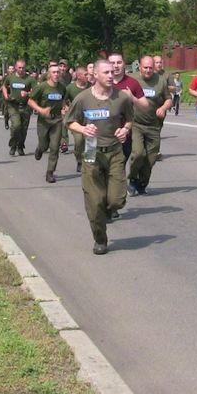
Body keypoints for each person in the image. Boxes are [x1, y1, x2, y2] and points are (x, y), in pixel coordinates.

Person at [65, 60, 134, 255]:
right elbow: (69, 122)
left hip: (114, 151)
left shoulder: (122, 98)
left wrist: (125, 130)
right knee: (94, 204)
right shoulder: (82, 98)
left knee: (116, 200)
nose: (111, 75)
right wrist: (83, 129)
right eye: (106, 72)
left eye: (112, 72)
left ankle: (108, 206)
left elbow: (129, 119)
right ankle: (100, 240)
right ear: (95, 75)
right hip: (91, 151)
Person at [128, 55, 172, 196]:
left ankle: (142, 183)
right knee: (138, 153)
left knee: (151, 158)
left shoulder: (160, 81)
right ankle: (133, 178)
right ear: (139, 67)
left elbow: (168, 99)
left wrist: (163, 108)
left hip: (154, 125)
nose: (148, 70)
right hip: (136, 124)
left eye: (150, 68)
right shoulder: (132, 79)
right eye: (145, 67)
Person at [28, 62, 67, 183]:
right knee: (44, 145)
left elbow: (63, 100)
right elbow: (30, 101)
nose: (56, 74)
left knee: (54, 147)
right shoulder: (42, 87)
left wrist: (65, 107)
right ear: (49, 74)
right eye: (54, 72)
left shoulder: (62, 87)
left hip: (57, 120)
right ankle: (40, 149)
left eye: (58, 72)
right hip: (44, 120)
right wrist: (40, 110)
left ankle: (50, 172)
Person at [108, 52, 149, 163]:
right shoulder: (102, 82)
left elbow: (145, 107)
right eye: (112, 63)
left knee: (119, 166)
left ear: (124, 64)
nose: (116, 65)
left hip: (124, 131)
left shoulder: (132, 83)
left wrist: (132, 98)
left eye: (119, 62)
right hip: (104, 132)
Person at [2, 59, 34, 156]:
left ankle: (20, 146)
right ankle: (13, 145)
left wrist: (28, 93)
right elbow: (4, 86)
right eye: (19, 67)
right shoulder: (10, 77)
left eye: (23, 68)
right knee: (16, 125)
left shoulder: (30, 79)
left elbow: (35, 91)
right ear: (16, 67)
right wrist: (6, 95)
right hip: (13, 105)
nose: (21, 69)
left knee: (23, 129)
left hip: (25, 106)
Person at [64, 65, 91, 172]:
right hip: (76, 120)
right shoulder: (70, 88)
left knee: (90, 141)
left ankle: (89, 163)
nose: (87, 76)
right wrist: (65, 107)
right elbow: (63, 99)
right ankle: (79, 160)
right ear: (79, 76)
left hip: (89, 119)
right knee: (79, 141)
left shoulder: (91, 86)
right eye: (85, 74)